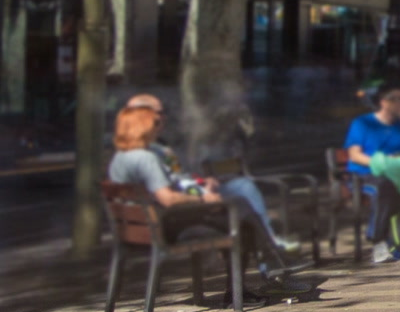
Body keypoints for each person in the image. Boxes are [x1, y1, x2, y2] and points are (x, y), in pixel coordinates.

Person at [109, 91, 304, 272]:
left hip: (148, 226)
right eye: (156, 121)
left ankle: (272, 263)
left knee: (239, 206)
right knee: (240, 216)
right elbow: (167, 199)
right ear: (142, 126)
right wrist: (204, 200)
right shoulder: (146, 158)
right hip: (167, 227)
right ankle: (269, 269)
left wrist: (199, 187)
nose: (160, 124)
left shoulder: (120, 158)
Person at [344, 86, 400, 262]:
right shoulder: (362, 123)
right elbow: (354, 155)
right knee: (384, 186)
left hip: (396, 175)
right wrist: (384, 163)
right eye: (395, 99)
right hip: (363, 176)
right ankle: (378, 242)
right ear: (383, 102)